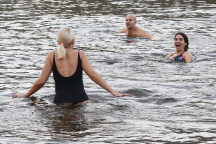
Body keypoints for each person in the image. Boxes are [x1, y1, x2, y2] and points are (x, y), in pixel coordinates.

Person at [12, 27, 130, 105]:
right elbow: (93, 75)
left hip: (60, 102)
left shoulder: (52, 56)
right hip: (81, 100)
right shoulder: (81, 55)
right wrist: (113, 91)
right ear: (73, 41)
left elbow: (41, 82)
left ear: (58, 41)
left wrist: (27, 95)